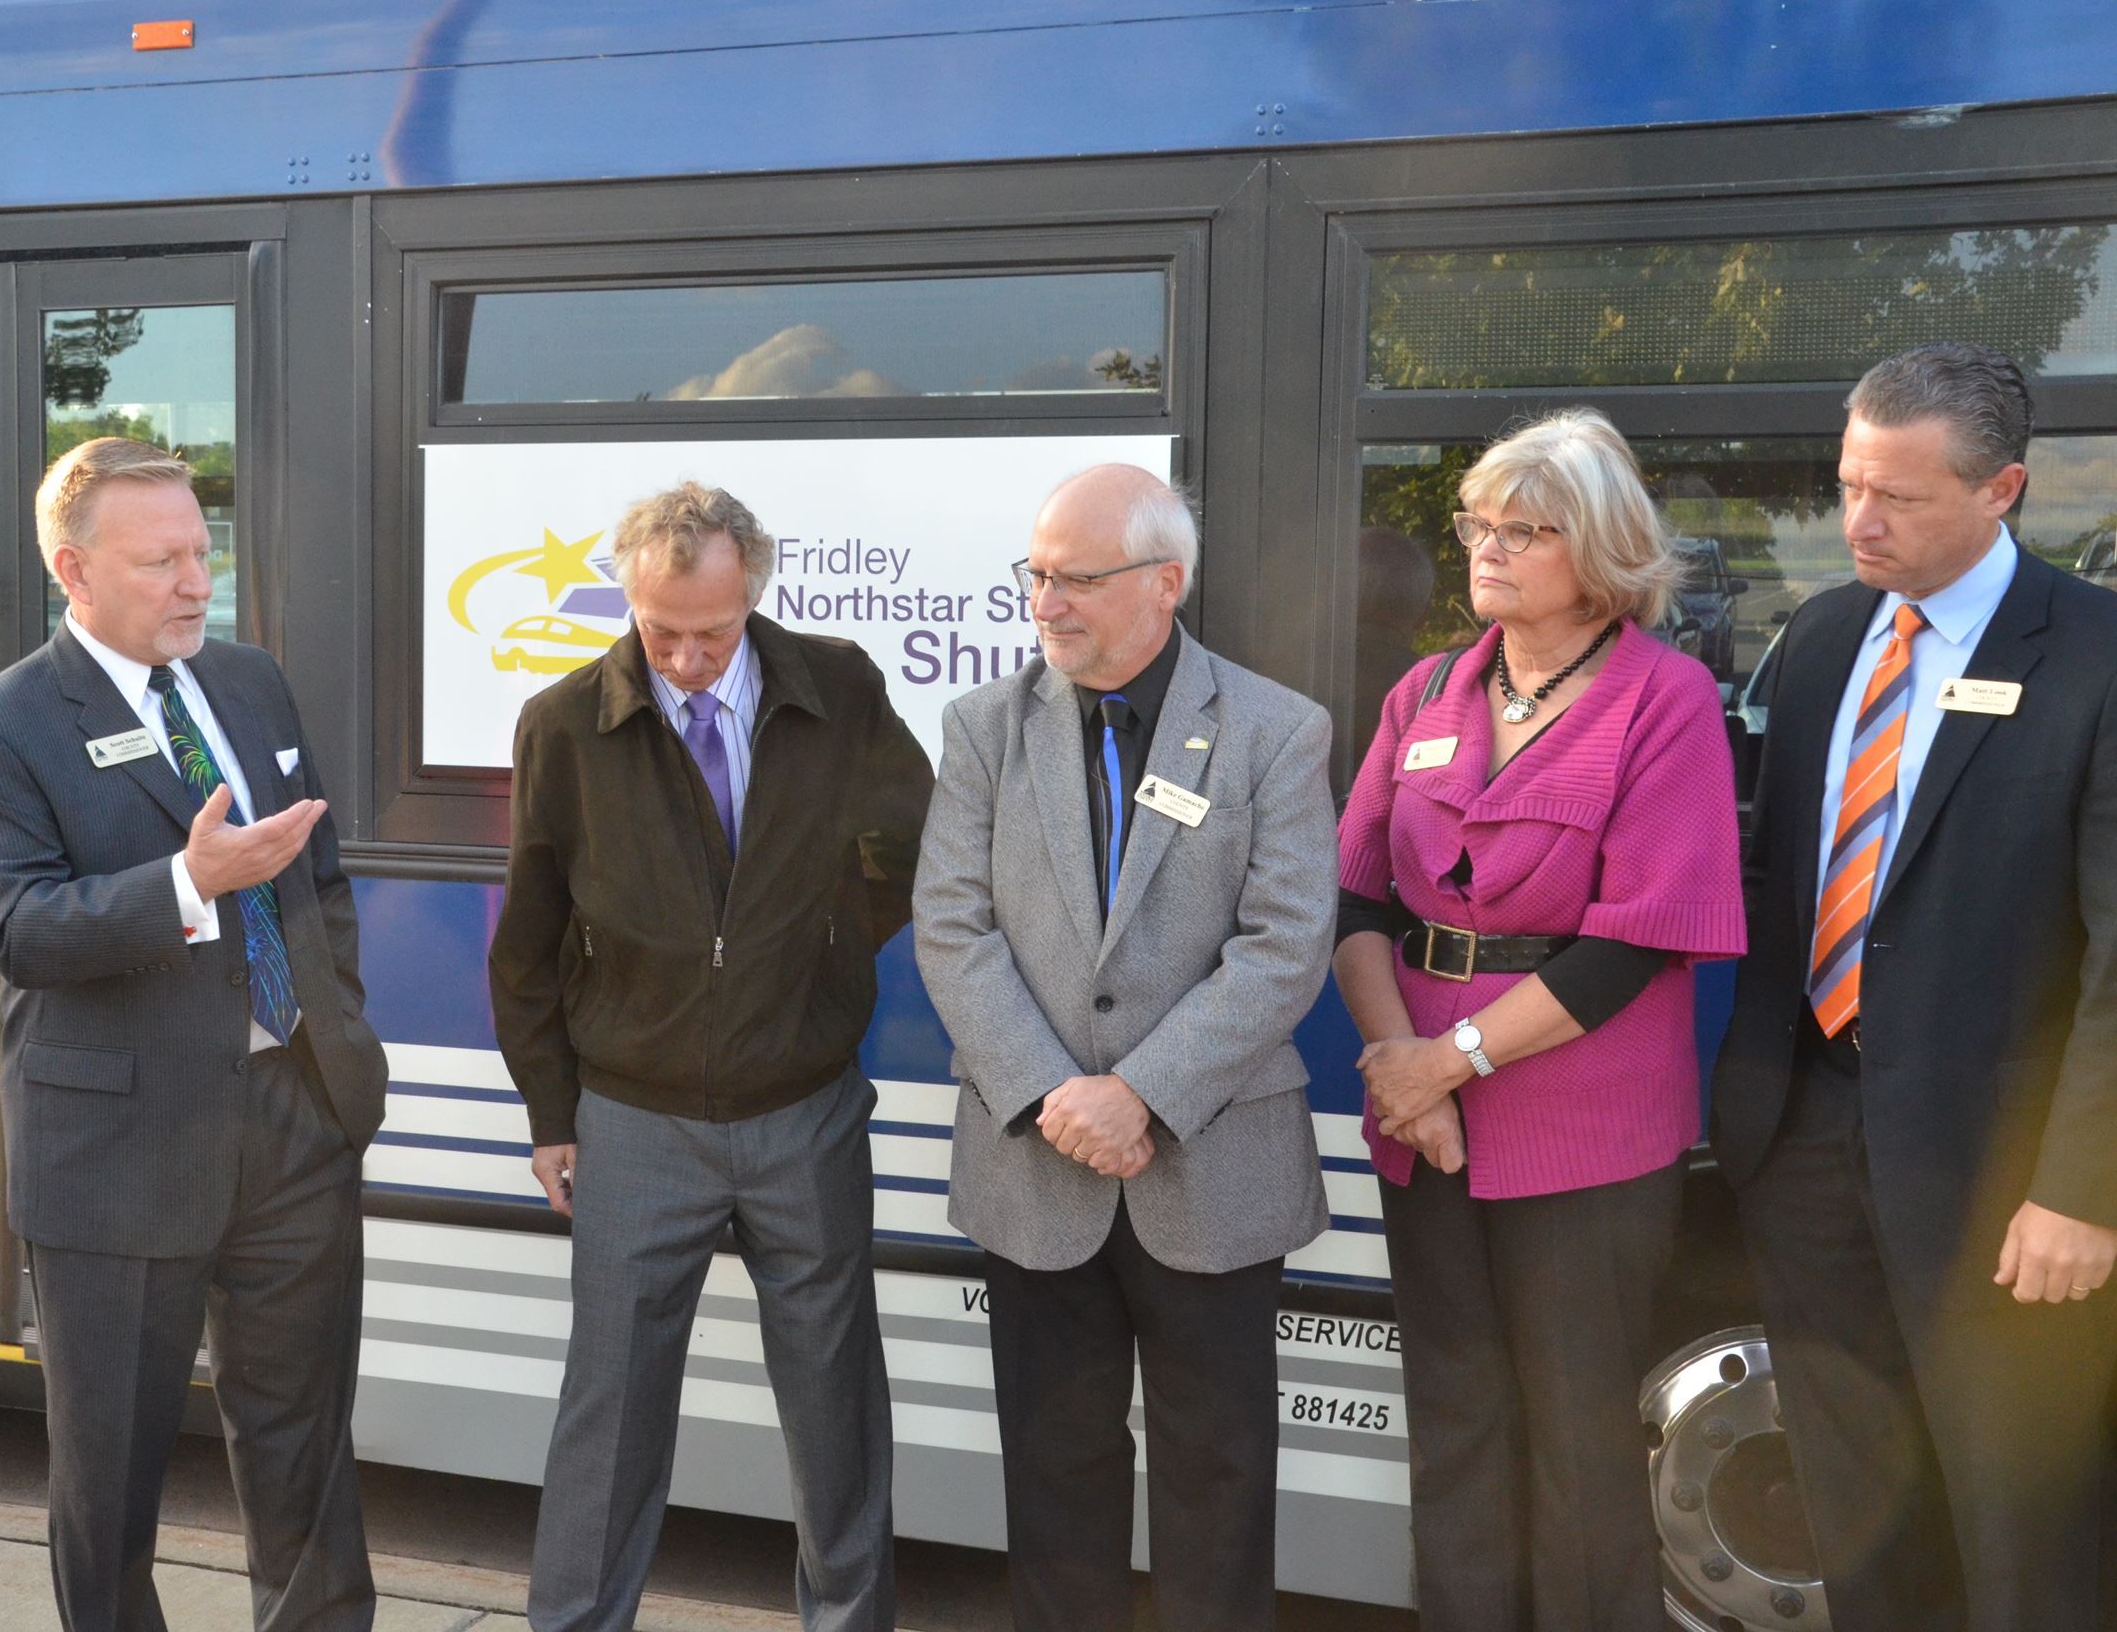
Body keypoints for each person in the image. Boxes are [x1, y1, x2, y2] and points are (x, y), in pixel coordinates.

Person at [0, 438, 387, 1632]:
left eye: (202, 550)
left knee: (306, 1454)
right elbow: (23, 930)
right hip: (117, 1152)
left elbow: (317, 878)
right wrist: (185, 885)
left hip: (294, 1119)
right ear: (73, 572)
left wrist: (337, 1036)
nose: (197, 582)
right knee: (112, 1478)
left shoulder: (248, 681)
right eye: (163, 561)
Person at [1712, 342, 2117, 1631]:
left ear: (2000, 488)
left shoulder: (2093, 654)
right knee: (1855, 1501)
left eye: (1897, 496)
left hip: (2005, 1182)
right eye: (1845, 486)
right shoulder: (1825, 634)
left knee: (2017, 1515)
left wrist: (2080, 1189)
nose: (1857, 522)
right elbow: (1778, 871)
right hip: (1809, 1141)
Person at [488, 480, 932, 1632]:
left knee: (837, 1411)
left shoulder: (836, 685)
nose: (685, 659)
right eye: (659, 630)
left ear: (754, 594)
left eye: (712, 632)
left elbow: (911, 841)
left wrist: (823, 948)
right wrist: (551, 1114)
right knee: (610, 1414)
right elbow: (524, 948)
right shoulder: (562, 726)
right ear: (627, 600)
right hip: (632, 1122)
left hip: (806, 1111)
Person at [1332, 411, 1744, 1632]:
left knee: (1575, 1439)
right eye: (1477, 525)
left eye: (1525, 530)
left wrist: (1450, 1060)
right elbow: (1355, 898)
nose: (1487, 550)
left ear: (1603, 551)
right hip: (1425, 1115)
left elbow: (1635, 937)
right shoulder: (1424, 691)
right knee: (1454, 1421)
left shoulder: (1661, 700)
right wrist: (1401, 1074)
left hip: (1582, 1123)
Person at [911, 462, 1336, 1632]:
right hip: (1033, 1166)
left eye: (1075, 578)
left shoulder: (1273, 732)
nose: (1044, 602)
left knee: (1218, 1476)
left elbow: (1285, 946)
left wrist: (1138, 1094)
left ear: (1164, 583)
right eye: (1034, 574)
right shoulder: (984, 728)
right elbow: (949, 928)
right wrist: (1058, 1093)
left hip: (1211, 1173)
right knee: (1054, 1480)